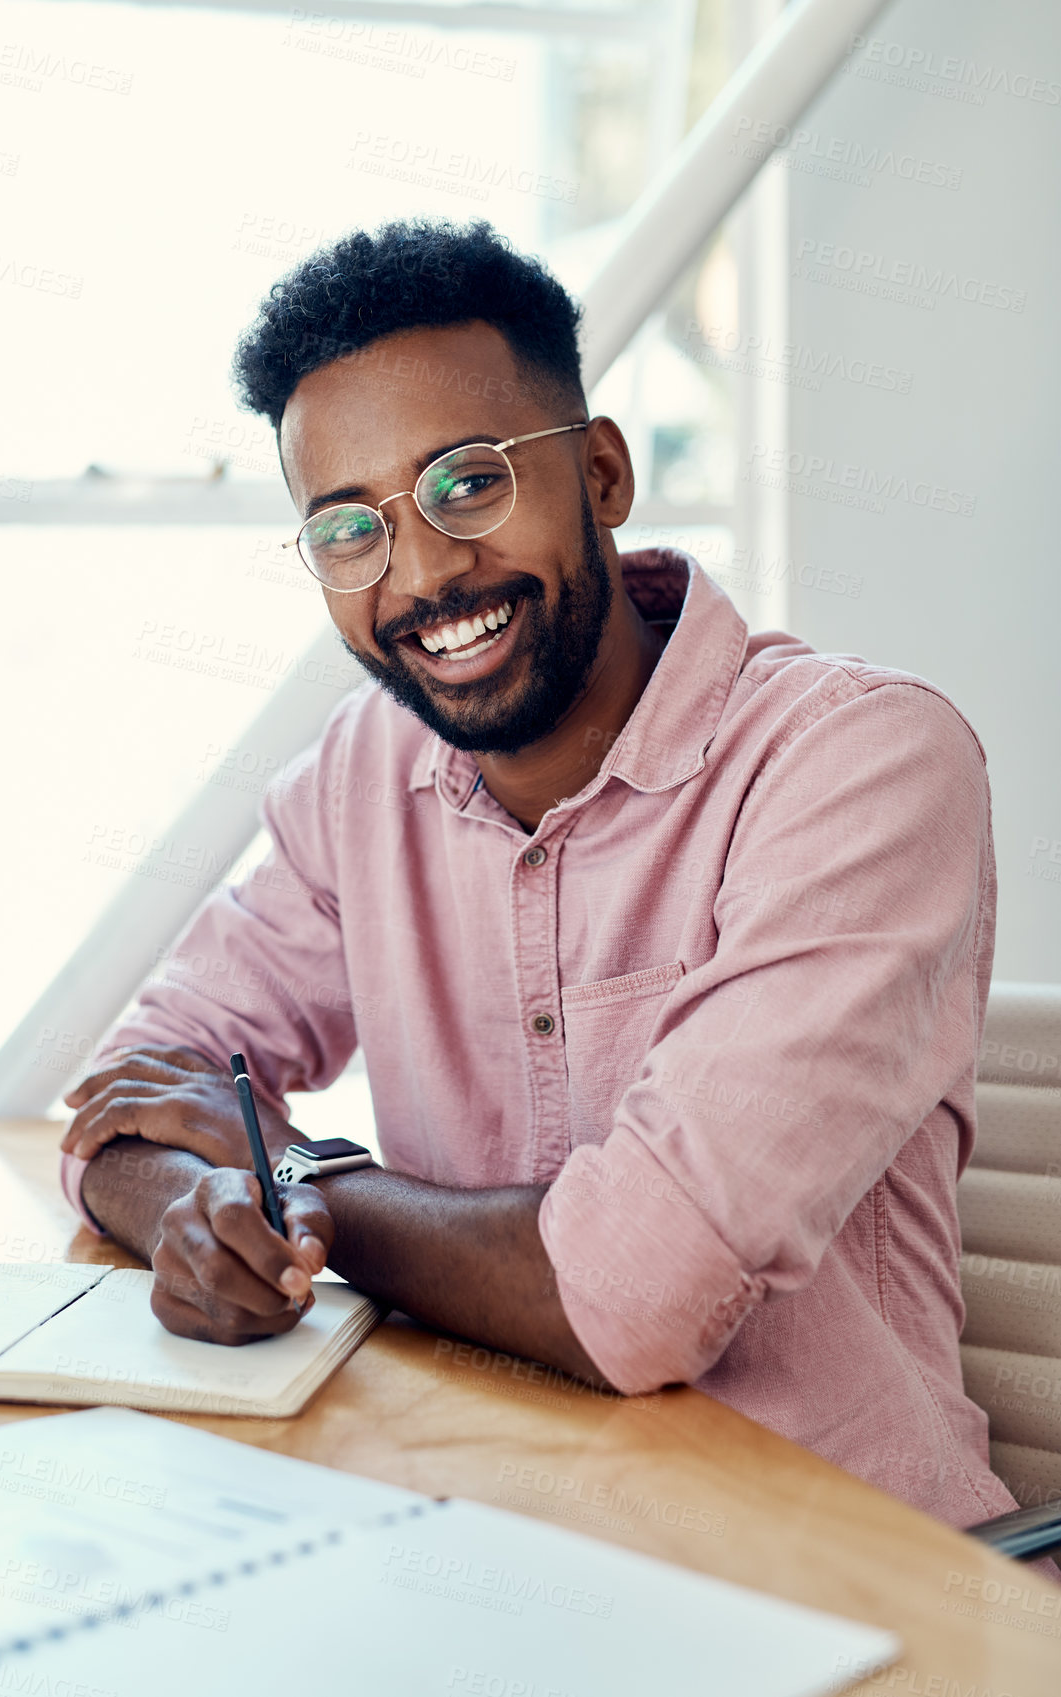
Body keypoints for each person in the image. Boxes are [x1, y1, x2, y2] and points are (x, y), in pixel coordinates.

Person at [60, 216, 1017, 1530]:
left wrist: (297, 1185)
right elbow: (130, 1097)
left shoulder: (855, 763)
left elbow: (633, 1292)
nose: (422, 571)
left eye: (468, 483)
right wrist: (204, 1212)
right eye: (350, 529)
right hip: (489, 1533)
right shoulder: (362, 772)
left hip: (841, 1568)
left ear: (604, 473)